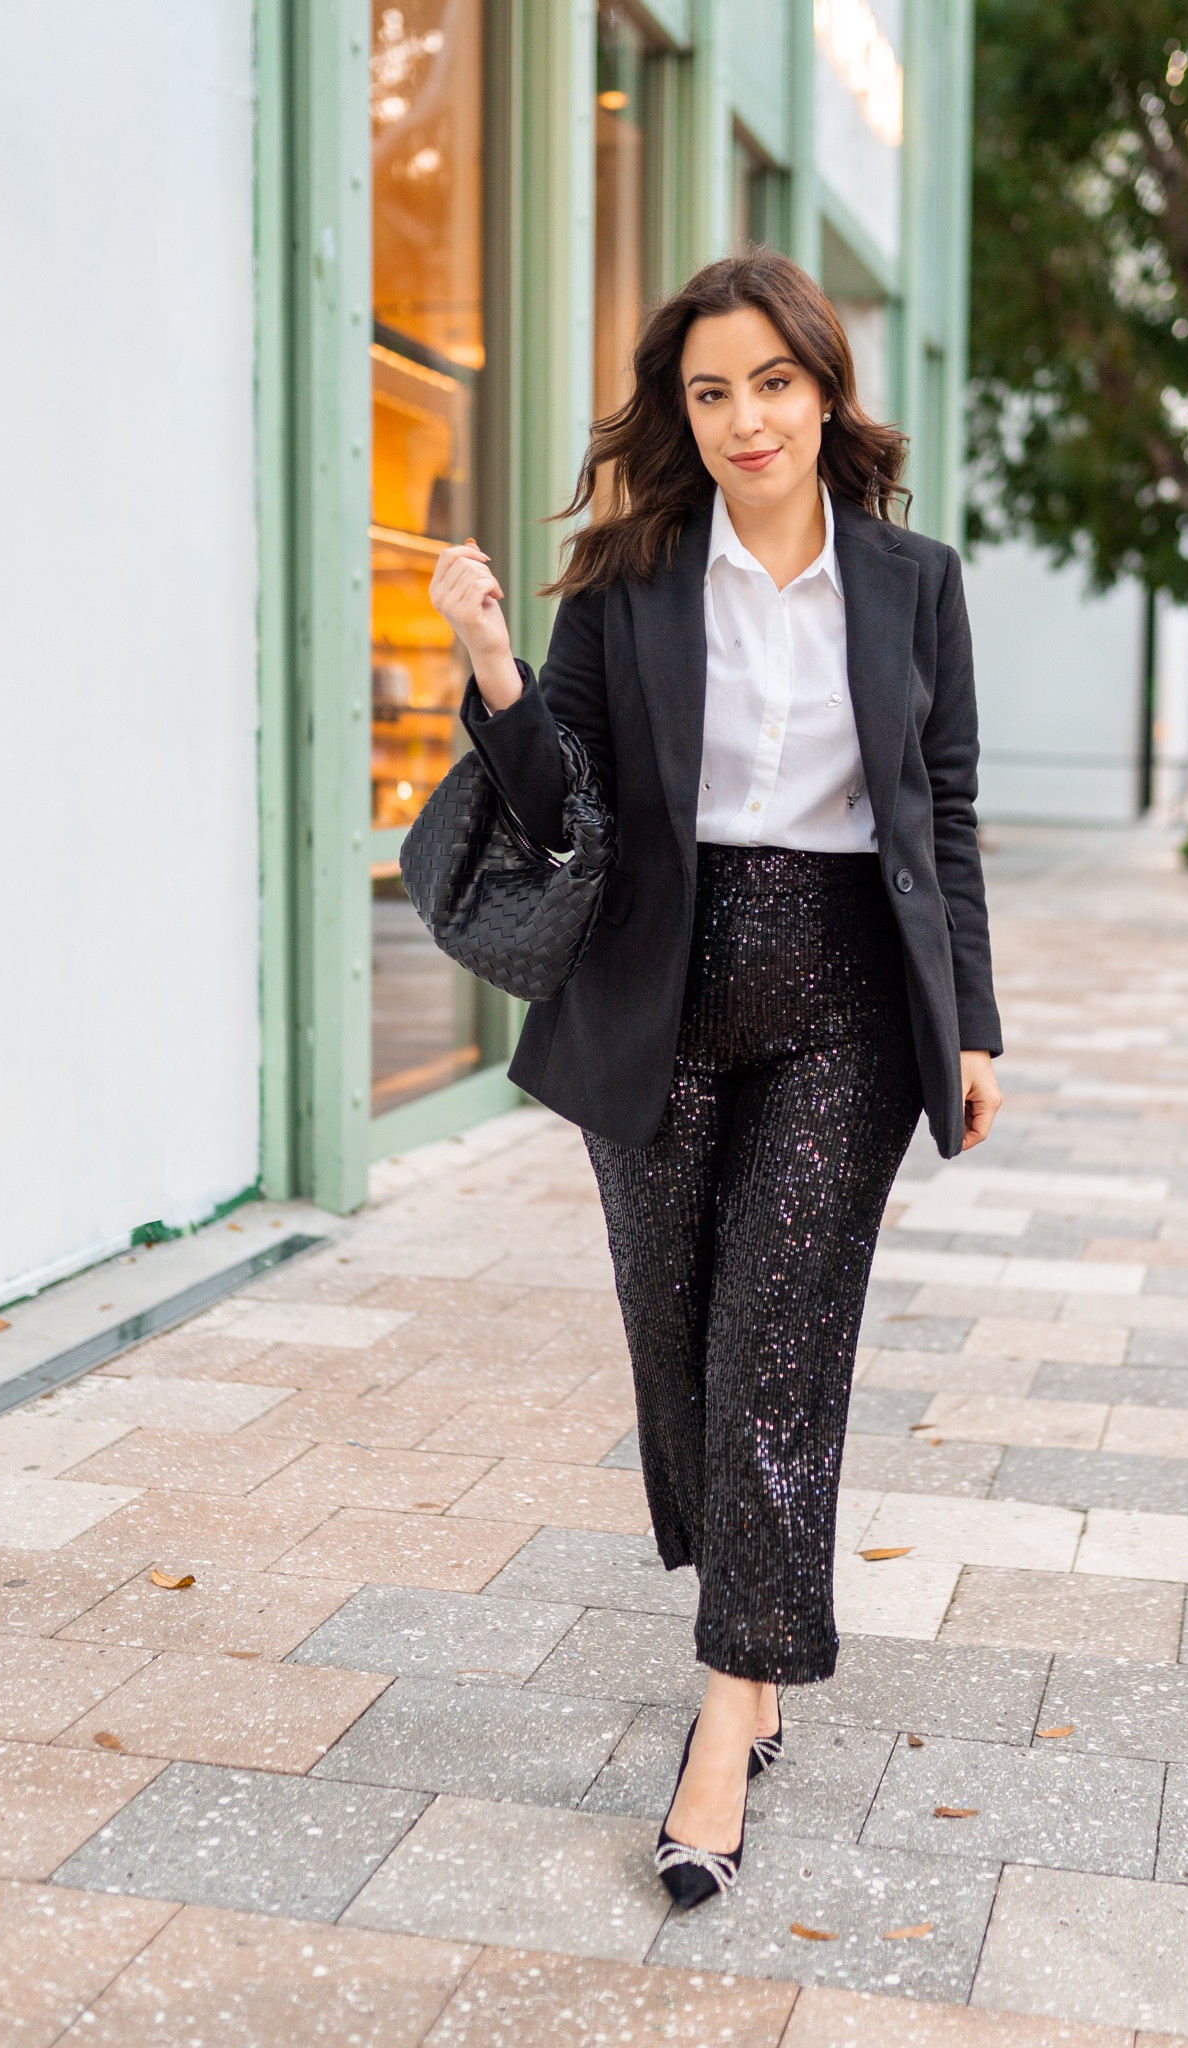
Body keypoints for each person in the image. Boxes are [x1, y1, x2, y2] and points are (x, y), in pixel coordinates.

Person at [428, 250, 1002, 1907]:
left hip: (846, 1000)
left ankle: (729, 1707)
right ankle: (751, 1631)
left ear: (823, 389)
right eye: (710, 392)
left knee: (775, 1360)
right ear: (681, 416)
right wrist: (492, 665)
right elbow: (562, 800)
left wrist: (970, 1024)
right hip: (656, 996)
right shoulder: (630, 581)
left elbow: (945, 811)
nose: (745, 417)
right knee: (677, 1344)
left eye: (772, 382)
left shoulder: (916, 582)